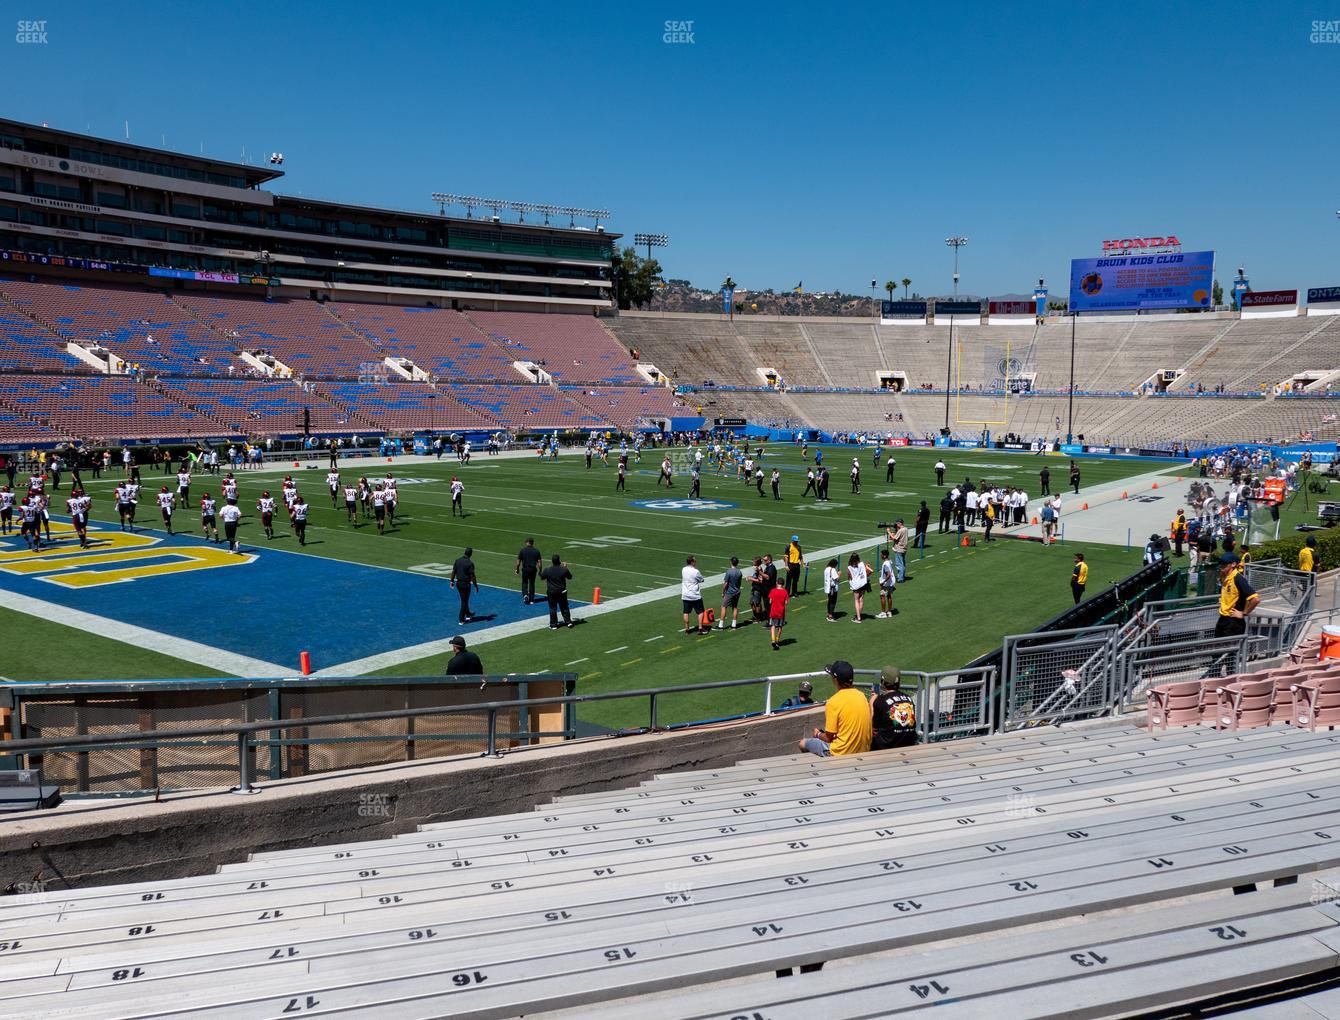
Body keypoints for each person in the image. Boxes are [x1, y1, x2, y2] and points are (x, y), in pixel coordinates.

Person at [799, 660, 872, 757]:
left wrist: (817, 734)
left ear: (836, 680)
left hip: (841, 753)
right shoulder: (862, 696)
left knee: (802, 743)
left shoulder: (833, 702)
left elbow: (828, 738)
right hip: (864, 750)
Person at [869, 666, 917, 751]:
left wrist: (872, 703)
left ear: (883, 682)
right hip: (909, 745)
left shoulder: (880, 700)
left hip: (886, 748)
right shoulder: (909, 699)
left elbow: (872, 728)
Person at [541, 554, 574, 629]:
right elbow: (570, 577)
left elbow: (542, 577)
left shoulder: (547, 569)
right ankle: (568, 622)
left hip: (551, 592)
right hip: (562, 591)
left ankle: (553, 625)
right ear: (559, 561)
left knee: (553, 608)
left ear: (552, 561)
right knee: (564, 607)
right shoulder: (563, 569)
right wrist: (565, 567)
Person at [681, 555, 708, 635]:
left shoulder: (683, 569)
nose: (696, 562)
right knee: (700, 612)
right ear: (692, 562)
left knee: (686, 612)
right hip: (695, 595)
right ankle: (700, 628)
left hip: (685, 594)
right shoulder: (695, 571)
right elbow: (702, 579)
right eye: (695, 561)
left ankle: (687, 629)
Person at [452, 547, 479, 624]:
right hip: (465, 584)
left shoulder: (457, 561)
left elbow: (454, 572)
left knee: (464, 600)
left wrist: (451, 581)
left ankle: (468, 614)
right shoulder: (470, 563)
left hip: (458, 584)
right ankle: (461, 619)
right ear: (470, 554)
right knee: (464, 601)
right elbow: (472, 576)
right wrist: (475, 586)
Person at [718, 556, 743, 630]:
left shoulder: (729, 571)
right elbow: (739, 583)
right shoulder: (739, 572)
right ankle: (734, 625)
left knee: (723, 607)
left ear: (731, 562)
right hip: (737, 591)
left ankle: (721, 625)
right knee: (734, 607)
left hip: (729, 592)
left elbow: (725, 583)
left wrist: (723, 592)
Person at [516, 538, 542, 604]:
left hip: (525, 569)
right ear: (532, 543)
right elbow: (539, 562)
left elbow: (518, 562)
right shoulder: (536, 551)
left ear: (527, 542)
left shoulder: (522, 550)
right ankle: (531, 599)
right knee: (532, 583)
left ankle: (525, 595)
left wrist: (517, 569)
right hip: (533, 569)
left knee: (524, 582)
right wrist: (540, 571)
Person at [847, 552, 871, 623]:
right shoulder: (862, 563)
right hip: (863, 583)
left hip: (856, 585)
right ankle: (858, 615)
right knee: (861, 599)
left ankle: (858, 618)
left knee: (856, 600)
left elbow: (849, 576)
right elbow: (867, 569)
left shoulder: (849, 567)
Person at [767, 580, 789, 651]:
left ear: (777, 583)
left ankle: (773, 640)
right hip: (781, 612)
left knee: (772, 626)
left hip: (773, 611)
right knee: (780, 627)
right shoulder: (785, 591)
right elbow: (786, 603)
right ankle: (777, 641)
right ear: (783, 584)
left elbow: (770, 601)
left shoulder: (773, 591)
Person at [876, 549, 898, 618]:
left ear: (884, 555)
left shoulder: (885, 564)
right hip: (891, 583)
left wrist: (883, 582)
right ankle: (889, 612)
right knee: (889, 596)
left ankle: (883, 613)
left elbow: (888, 575)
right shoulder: (889, 561)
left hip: (886, 584)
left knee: (882, 596)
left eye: (881, 554)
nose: (880, 555)